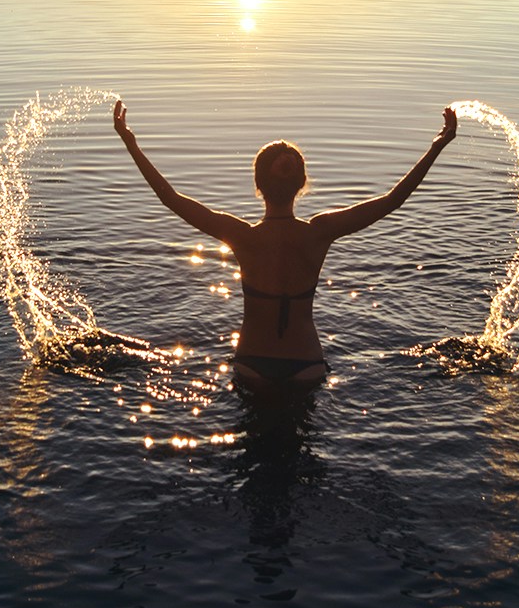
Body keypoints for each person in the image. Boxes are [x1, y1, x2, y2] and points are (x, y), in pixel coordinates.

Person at [113, 99, 458, 391]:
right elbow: (393, 199)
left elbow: (170, 198)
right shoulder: (319, 233)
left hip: (251, 364)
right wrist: (437, 146)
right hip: (306, 363)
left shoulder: (243, 236)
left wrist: (131, 144)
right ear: (302, 183)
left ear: (258, 184)